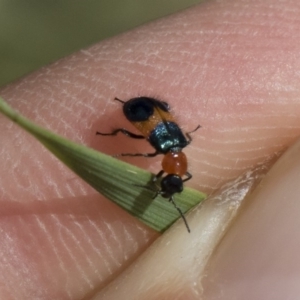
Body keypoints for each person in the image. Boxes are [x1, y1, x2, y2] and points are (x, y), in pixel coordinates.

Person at [1, 0, 300, 299]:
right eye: (169, 181)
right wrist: (124, 154)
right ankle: (115, 132)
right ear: (176, 175)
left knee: (139, 138)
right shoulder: (170, 152)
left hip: (147, 110)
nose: (164, 182)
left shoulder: (179, 148)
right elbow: (149, 157)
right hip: (139, 110)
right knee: (132, 140)